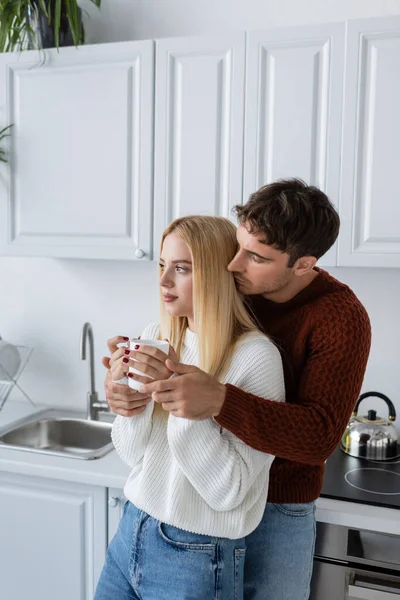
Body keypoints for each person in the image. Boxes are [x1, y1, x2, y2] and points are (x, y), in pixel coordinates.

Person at [104, 179, 372, 600]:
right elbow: (186, 332)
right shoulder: (236, 284)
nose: (232, 264)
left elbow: (319, 435)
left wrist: (219, 401)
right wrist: (128, 383)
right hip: (198, 499)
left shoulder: (340, 318)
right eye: (238, 244)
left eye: (255, 256)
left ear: (303, 264)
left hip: (278, 504)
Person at [95, 215, 285, 600]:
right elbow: (133, 455)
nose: (164, 281)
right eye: (163, 266)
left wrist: (185, 406)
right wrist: (130, 403)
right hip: (132, 529)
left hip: (197, 555)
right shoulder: (157, 337)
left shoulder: (255, 357)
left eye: (181, 268)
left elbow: (229, 491)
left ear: (216, 274)